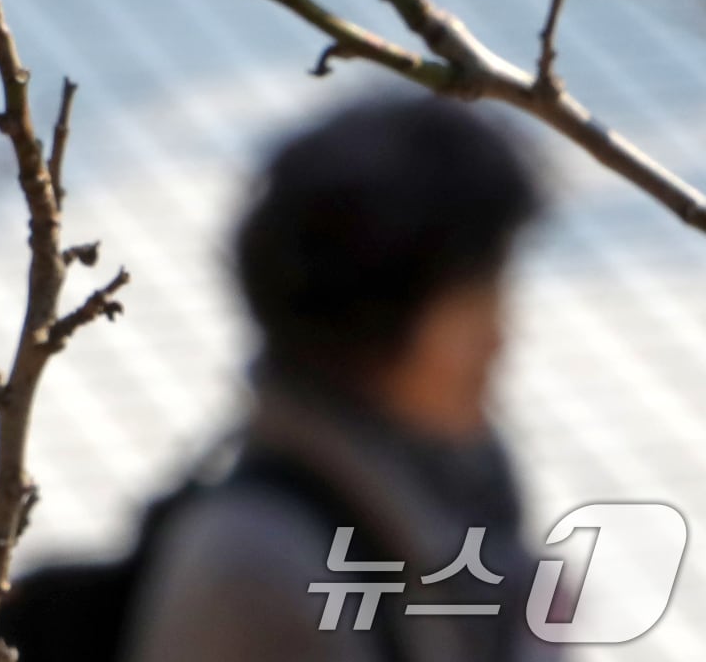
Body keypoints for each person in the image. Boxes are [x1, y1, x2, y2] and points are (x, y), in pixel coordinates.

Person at [121, 94, 556, 662]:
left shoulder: (466, 479)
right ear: (374, 315)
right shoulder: (257, 569)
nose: (501, 337)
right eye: (470, 301)